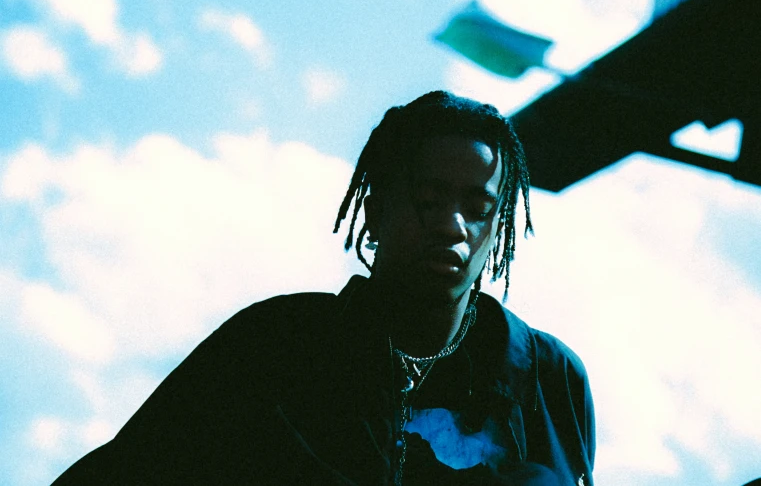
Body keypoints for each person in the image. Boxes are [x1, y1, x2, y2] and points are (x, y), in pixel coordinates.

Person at [53, 91, 595, 485]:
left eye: (478, 209)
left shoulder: (549, 378)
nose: (454, 227)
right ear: (377, 210)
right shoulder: (276, 346)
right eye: (430, 200)